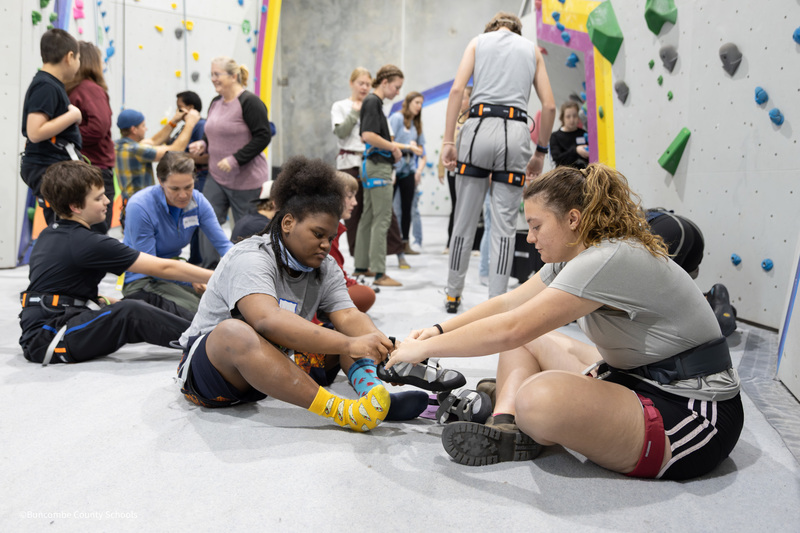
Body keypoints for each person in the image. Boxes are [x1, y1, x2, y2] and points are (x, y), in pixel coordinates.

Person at [388, 163, 743, 481]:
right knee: (526, 349)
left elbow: (513, 326)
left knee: (537, 399)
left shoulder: (608, 258)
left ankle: (522, 406)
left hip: (692, 411)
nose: (530, 238)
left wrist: (423, 350)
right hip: (633, 378)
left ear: (572, 219)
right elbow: (508, 304)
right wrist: (437, 331)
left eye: (536, 225)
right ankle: (506, 424)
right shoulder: (577, 251)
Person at [175, 156, 397, 432]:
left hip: (274, 365)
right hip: (216, 374)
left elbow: (349, 314)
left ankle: (374, 394)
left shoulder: (325, 266)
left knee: (351, 332)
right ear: (288, 222)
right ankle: (341, 410)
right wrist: (349, 345)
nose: (326, 245)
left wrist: (381, 345)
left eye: (331, 237)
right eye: (318, 234)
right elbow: (266, 320)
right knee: (235, 331)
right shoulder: (251, 257)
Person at [18, 161, 213, 365]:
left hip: (48, 326)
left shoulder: (51, 234)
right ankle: (207, 341)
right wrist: (219, 275)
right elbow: (165, 267)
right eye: (98, 197)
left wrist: (102, 300)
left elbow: (59, 288)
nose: (107, 201)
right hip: (51, 337)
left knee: (138, 303)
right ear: (75, 207)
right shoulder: (87, 242)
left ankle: (206, 332)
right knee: (129, 312)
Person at [441, 12, 556, 312]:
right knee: (504, 227)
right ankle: (497, 303)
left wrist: (448, 142)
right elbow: (550, 105)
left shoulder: (478, 42)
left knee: (464, 222)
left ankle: (453, 295)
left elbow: (456, 90)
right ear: (517, 30)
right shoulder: (531, 49)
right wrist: (540, 152)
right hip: (515, 132)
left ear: (491, 27)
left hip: (477, 128)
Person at [121, 153, 232, 317]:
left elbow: (224, 245)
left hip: (175, 274)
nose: (183, 195)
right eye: (174, 189)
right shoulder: (140, 206)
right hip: (142, 280)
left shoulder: (198, 201)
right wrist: (193, 278)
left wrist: (244, 266)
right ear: (160, 181)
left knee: (225, 306)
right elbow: (152, 267)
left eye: (188, 187)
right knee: (203, 314)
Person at [189, 57, 271, 268]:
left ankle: (247, 269)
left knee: (246, 228)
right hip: (217, 176)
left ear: (233, 76)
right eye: (212, 75)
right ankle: (210, 270)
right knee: (207, 220)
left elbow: (263, 136)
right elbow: (214, 131)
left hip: (247, 180)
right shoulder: (215, 102)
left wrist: (236, 159)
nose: (213, 79)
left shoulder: (250, 102)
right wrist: (203, 143)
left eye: (217, 74)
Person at [331, 67, 408, 268]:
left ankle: (381, 258)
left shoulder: (374, 104)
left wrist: (401, 148)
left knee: (379, 212)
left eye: (367, 83)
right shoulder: (342, 106)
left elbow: (386, 137)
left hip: (370, 161)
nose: (365, 87)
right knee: (354, 214)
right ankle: (363, 262)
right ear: (352, 83)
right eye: (361, 83)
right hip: (351, 164)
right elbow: (345, 133)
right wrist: (355, 113)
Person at [20, 29, 82, 226]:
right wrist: (73, 115)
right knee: (61, 224)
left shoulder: (50, 85)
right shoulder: (46, 86)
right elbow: (35, 132)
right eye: (79, 58)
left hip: (52, 164)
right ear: (70, 57)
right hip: (47, 166)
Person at [353, 65, 406, 287]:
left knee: (368, 216)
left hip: (370, 166)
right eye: (396, 87)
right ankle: (380, 273)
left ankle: (362, 266)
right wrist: (393, 148)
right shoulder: (374, 102)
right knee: (381, 218)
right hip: (378, 166)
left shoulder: (372, 103)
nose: (397, 92)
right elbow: (368, 135)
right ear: (384, 83)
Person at [66, 41, 115, 233]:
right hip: (96, 166)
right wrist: (71, 137)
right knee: (96, 228)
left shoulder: (73, 89)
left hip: (84, 165)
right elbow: (98, 128)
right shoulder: (90, 89)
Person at [115, 107, 201, 201]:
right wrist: (190, 123)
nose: (146, 128)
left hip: (130, 203)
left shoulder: (119, 145)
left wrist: (173, 122)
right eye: (143, 126)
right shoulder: (135, 150)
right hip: (141, 204)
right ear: (134, 130)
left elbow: (153, 141)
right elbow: (175, 150)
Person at [330, 171, 376, 314]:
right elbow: (333, 276)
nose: (355, 202)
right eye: (350, 197)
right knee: (366, 295)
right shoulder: (328, 229)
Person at [389, 92, 426, 255]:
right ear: (408, 102)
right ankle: (389, 244)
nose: (419, 106)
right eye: (417, 102)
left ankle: (405, 243)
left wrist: (416, 150)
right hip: (394, 168)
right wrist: (407, 147)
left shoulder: (416, 124)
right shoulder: (396, 118)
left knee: (407, 208)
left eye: (421, 104)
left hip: (409, 169)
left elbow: (421, 148)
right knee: (388, 209)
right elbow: (389, 142)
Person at [438, 86, 472, 254]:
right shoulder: (455, 121)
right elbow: (446, 144)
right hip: (454, 170)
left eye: (464, 98)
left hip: (471, 171)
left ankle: (474, 244)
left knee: (472, 209)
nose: (461, 102)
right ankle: (450, 242)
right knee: (456, 206)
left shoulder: (474, 121)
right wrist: (440, 169)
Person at [549, 101, 589, 169]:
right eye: (568, 117)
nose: (572, 120)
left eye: (574, 116)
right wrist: (576, 150)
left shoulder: (583, 134)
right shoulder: (555, 136)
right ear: (562, 118)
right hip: (564, 174)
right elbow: (557, 159)